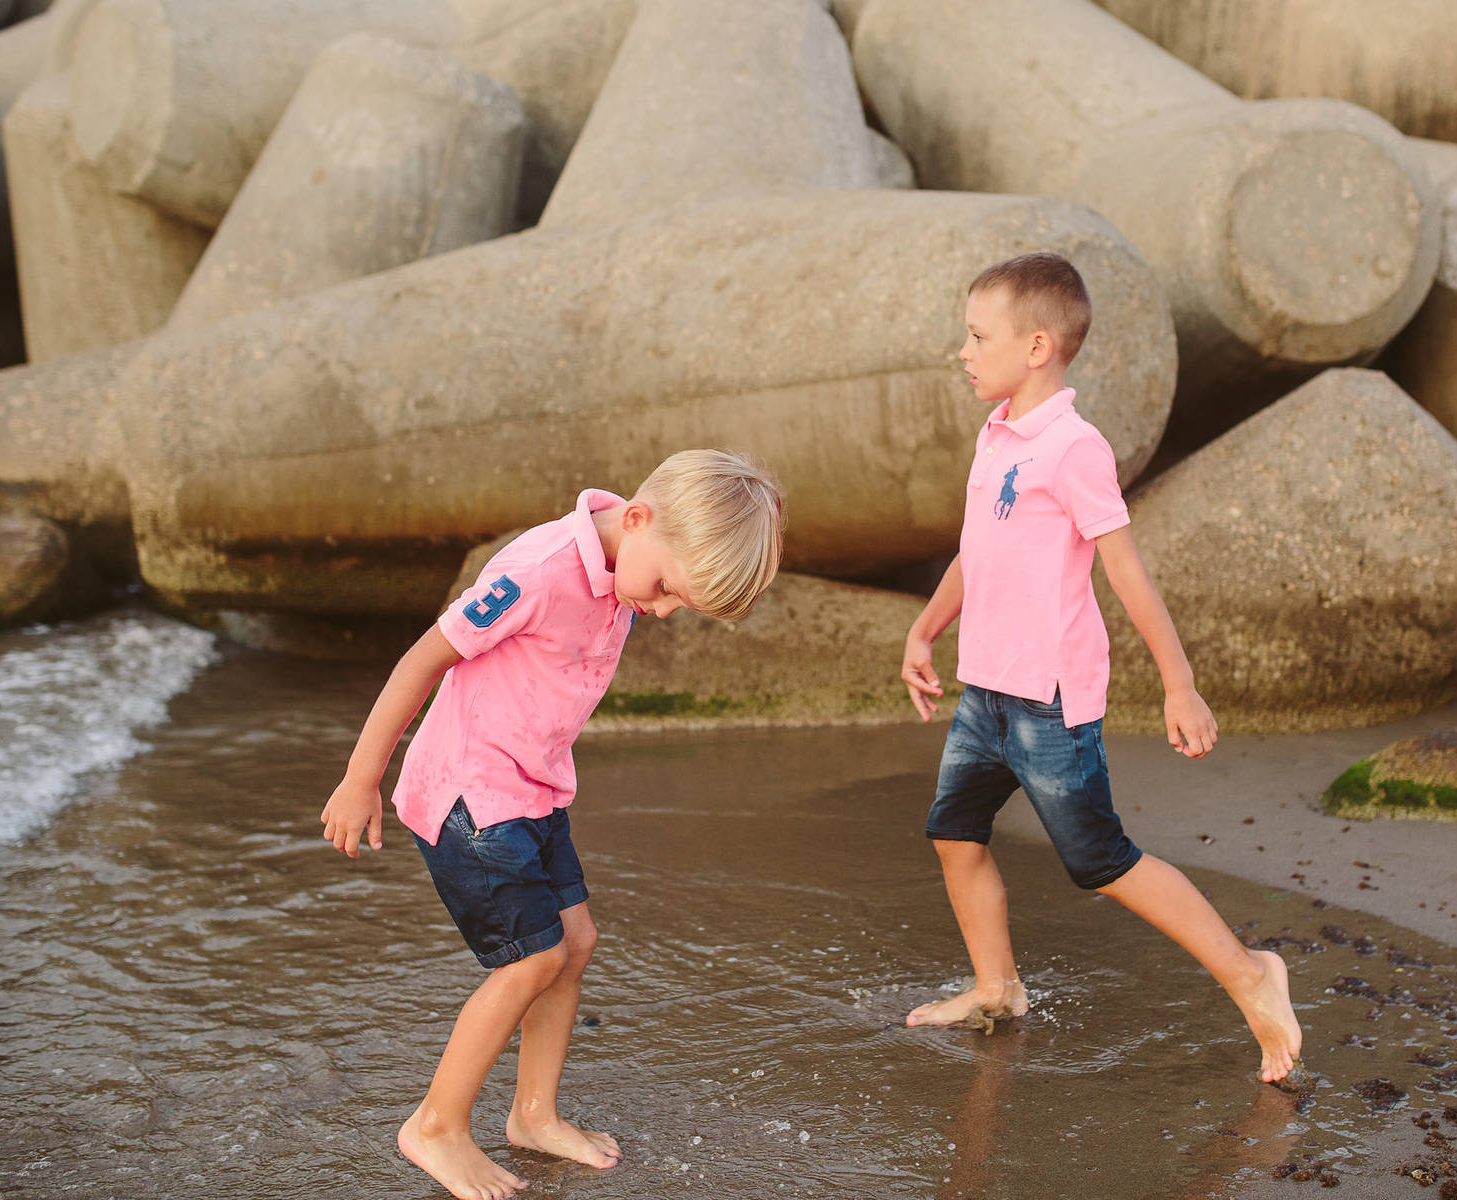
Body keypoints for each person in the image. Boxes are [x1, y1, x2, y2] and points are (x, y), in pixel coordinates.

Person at [320, 450, 784, 1200]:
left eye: (680, 604)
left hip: (533, 795)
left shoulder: (625, 566)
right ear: (636, 519)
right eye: (666, 589)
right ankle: (435, 1126)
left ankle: (533, 1114)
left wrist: (657, 586)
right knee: (530, 959)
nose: (662, 610)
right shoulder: (535, 571)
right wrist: (360, 777)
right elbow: (422, 660)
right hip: (468, 797)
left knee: (575, 944)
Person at [898, 252, 1301, 1084]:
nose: (964, 351)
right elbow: (979, 552)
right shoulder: (997, 432)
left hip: (1048, 704)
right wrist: (926, 629)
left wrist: (1178, 683)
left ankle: (1252, 974)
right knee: (953, 835)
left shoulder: (1075, 448)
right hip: (986, 695)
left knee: (1101, 862)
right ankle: (996, 987)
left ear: (1038, 344)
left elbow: (1124, 570)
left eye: (978, 336)